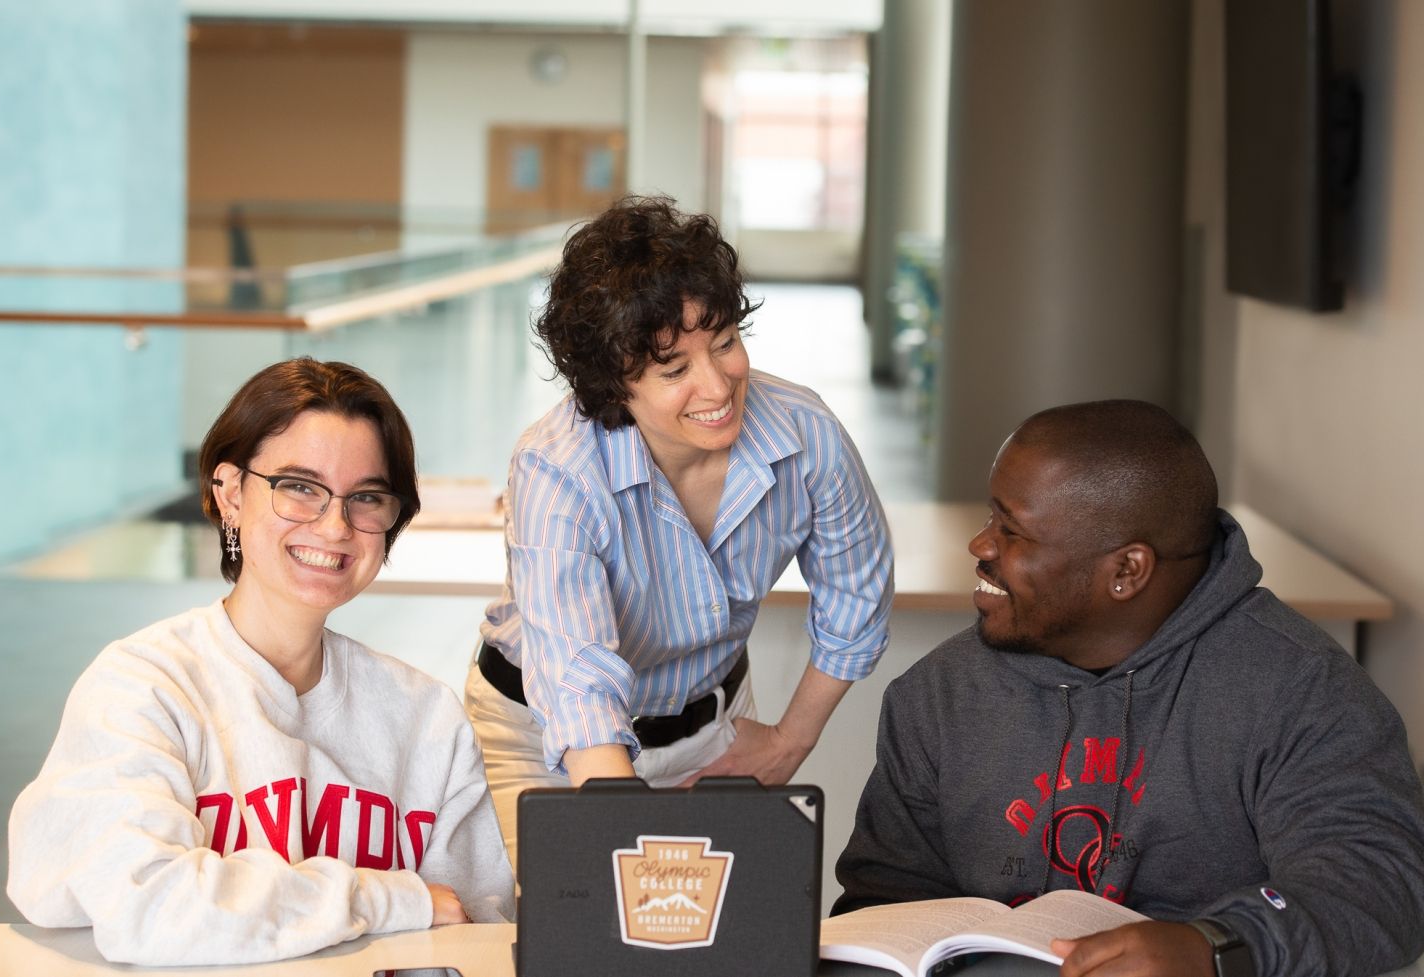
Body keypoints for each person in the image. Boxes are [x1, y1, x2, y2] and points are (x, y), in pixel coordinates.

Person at [834, 400, 1424, 977]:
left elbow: (1379, 884)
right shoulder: (937, 693)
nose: (981, 546)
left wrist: (1215, 948)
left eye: (1012, 532)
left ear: (1126, 572)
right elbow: (884, 897)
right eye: (992, 518)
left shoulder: (1299, 689)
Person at [7, 358, 514, 966]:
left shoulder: (427, 720)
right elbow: (150, 908)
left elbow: (470, 934)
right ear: (229, 493)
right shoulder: (143, 688)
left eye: (367, 497)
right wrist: (385, 899)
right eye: (299, 487)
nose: (334, 526)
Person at [469, 195, 894, 863]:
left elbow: (856, 595)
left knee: (729, 941)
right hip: (552, 740)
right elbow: (580, 685)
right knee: (581, 941)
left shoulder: (805, 433)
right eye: (674, 369)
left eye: (724, 343)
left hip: (711, 725)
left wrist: (790, 738)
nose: (718, 384)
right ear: (615, 385)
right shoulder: (557, 468)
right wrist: (625, 846)